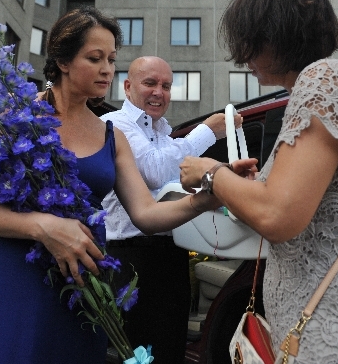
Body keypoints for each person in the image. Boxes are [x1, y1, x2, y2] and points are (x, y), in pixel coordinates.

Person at [179, 0, 338, 363]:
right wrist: (251, 187)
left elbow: (278, 215)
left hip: (337, 340)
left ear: (274, 31)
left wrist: (211, 172)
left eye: (249, 41)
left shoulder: (324, 80)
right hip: (323, 334)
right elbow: (292, 205)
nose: (244, 58)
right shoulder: (330, 85)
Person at [0, 7, 220, 364]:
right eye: (94, 58)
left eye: (111, 59)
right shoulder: (13, 119)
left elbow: (146, 214)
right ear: (63, 61)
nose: (107, 69)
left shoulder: (112, 135)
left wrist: (206, 198)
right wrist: (45, 226)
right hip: (11, 284)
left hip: (82, 291)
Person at [100, 56, 240, 363]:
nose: (159, 92)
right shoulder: (115, 124)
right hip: (131, 257)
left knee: (169, 350)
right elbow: (155, 169)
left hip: (170, 254)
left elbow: (172, 184)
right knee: (138, 354)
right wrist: (207, 131)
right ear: (127, 86)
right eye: (150, 83)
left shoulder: (163, 133)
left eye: (166, 85)